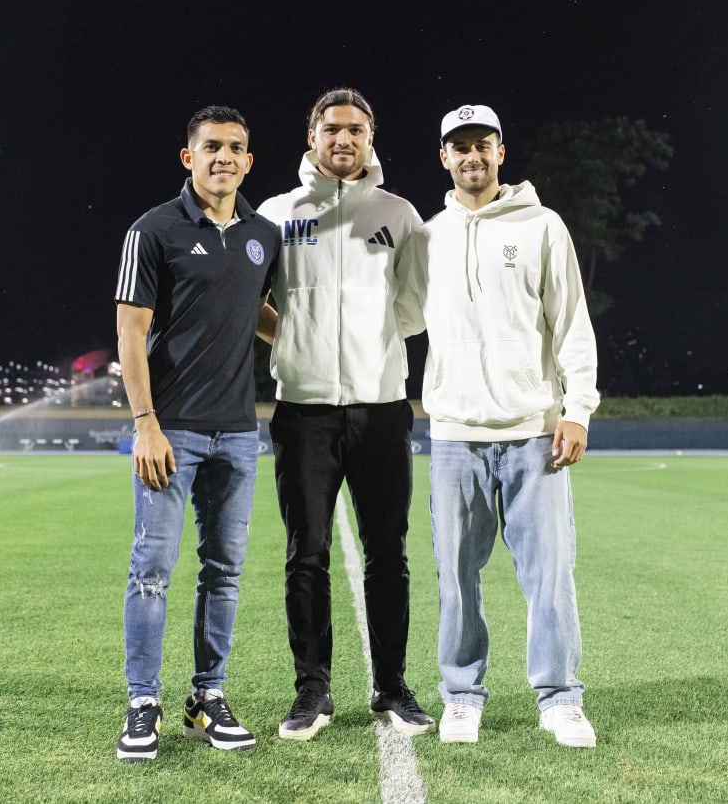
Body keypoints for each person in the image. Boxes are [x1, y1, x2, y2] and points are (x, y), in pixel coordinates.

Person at [395, 104, 600, 747]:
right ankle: (462, 696)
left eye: (482, 144)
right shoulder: (428, 236)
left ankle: (560, 698)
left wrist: (576, 409)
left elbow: (571, 323)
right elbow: (397, 321)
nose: (471, 157)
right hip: (455, 433)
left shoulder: (542, 226)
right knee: (457, 576)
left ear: (501, 151)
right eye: (459, 147)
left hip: (533, 431)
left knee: (550, 575)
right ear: (444, 158)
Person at [255, 88, 434, 741]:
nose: (344, 139)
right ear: (311, 135)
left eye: (356, 129)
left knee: (389, 552)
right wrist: (298, 340)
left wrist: (370, 345)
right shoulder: (276, 213)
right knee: (307, 553)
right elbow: (251, 302)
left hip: (382, 408)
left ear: (370, 136)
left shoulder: (399, 213)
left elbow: (413, 308)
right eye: (332, 128)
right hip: (303, 410)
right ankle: (313, 692)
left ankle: (392, 686)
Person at [113, 105, 280, 762]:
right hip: (171, 431)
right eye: (211, 146)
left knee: (225, 572)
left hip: (239, 432)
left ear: (248, 160)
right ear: (188, 157)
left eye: (236, 148)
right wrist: (145, 423)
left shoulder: (265, 234)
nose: (224, 158)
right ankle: (142, 703)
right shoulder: (153, 230)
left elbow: (260, 313)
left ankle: (206, 697)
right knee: (151, 570)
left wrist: (309, 343)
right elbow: (130, 330)